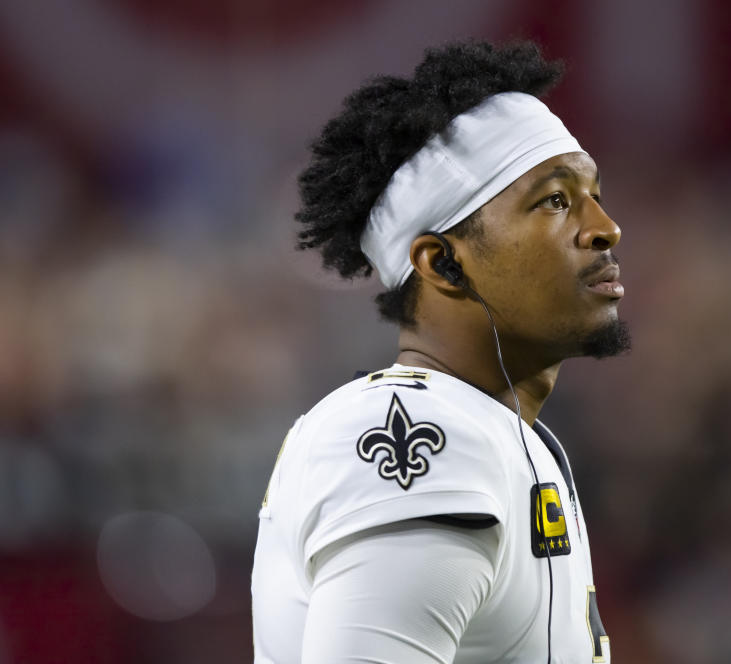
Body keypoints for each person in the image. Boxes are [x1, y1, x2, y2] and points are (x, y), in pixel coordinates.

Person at [251, 40, 629, 663]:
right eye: (555, 201)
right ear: (442, 263)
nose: (604, 226)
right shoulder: (422, 432)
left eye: (594, 194)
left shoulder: (501, 433)